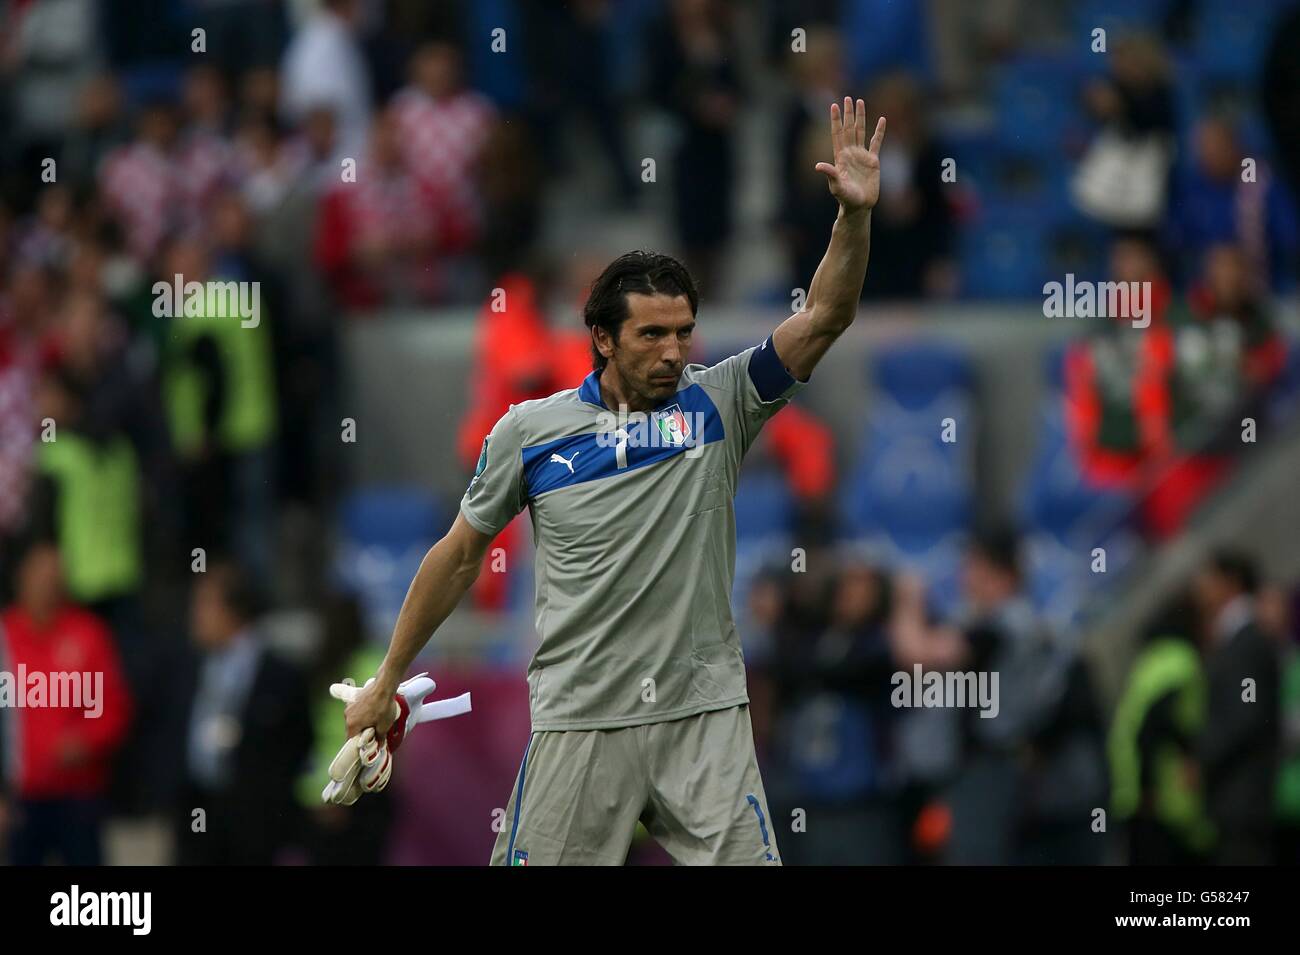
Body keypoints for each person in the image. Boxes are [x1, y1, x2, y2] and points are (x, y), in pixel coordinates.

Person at [342, 98, 887, 865]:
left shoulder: (722, 401)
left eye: (683, 333)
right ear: (601, 336)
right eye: (651, 334)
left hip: (702, 720)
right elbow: (460, 553)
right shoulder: (529, 433)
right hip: (581, 720)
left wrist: (853, 219)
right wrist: (387, 677)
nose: (673, 352)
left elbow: (827, 313)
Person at [169, 561, 312, 865]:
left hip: (253, 827)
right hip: (197, 819)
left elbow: (296, 747)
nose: (195, 615)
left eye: (205, 604)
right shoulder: (186, 666)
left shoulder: (281, 676)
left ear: (233, 611)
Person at [0, 539, 131, 865]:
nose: (48, 585)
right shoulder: (5, 635)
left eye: (55, 577)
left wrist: (86, 740)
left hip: (78, 793)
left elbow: (114, 707)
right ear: (22, 578)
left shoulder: (88, 634)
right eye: (40, 576)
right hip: (20, 796)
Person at [1192, 550, 1280, 865]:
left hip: (1247, 795)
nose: (1199, 586)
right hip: (1240, 796)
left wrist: (1202, 757)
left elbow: (1246, 712)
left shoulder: (1246, 642)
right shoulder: (1233, 640)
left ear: (1230, 582)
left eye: (1207, 577)